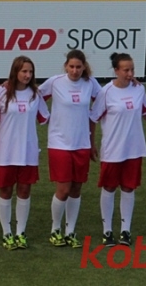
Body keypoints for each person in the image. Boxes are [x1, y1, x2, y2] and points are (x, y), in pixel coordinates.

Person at [39, 50, 102, 249]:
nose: (75, 71)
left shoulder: (90, 83)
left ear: (84, 67)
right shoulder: (55, 82)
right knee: (63, 189)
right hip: (59, 144)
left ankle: (70, 231)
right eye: (71, 66)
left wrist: (130, 81)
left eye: (78, 67)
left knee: (76, 189)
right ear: (66, 66)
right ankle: (55, 229)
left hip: (81, 143)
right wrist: (46, 117)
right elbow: (34, 94)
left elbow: (106, 97)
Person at [0, 56, 49, 250]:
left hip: (29, 151)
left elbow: (44, 118)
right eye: (24, 71)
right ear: (15, 72)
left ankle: (20, 232)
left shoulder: (35, 94)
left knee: (24, 191)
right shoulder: (0, 92)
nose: (27, 75)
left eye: (30, 72)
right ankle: (7, 233)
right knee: (5, 190)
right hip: (6, 151)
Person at [90, 53, 146, 247]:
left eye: (132, 69)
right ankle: (107, 231)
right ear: (116, 70)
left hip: (134, 148)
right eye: (126, 70)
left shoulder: (139, 89)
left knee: (128, 187)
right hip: (112, 149)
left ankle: (125, 231)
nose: (130, 73)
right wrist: (91, 144)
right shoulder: (106, 92)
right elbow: (93, 118)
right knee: (109, 187)